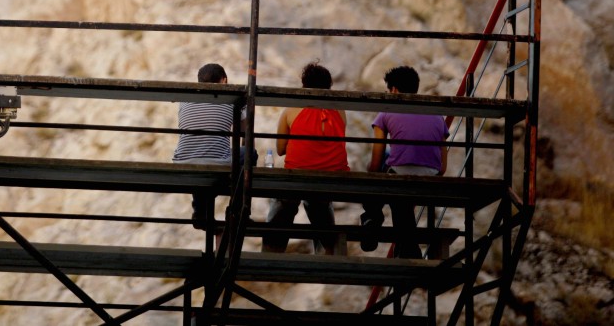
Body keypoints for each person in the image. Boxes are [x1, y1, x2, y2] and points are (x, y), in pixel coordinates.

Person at [360, 65, 449, 258]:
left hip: (401, 176)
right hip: (432, 175)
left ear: (393, 90)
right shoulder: (437, 114)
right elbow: (443, 167)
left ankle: (372, 217)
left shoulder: (386, 112)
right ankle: (407, 249)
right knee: (402, 196)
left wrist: (370, 175)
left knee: (386, 173)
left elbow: (375, 163)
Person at [262, 61, 349, 255]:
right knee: (320, 203)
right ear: (329, 87)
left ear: (304, 86)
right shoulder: (340, 111)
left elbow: (281, 150)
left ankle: (272, 248)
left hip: (297, 175)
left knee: (282, 201)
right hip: (332, 178)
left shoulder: (291, 109)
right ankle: (327, 249)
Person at [172, 63, 246, 227]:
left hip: (183, 161)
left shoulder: (185, 100)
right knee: (249, 154)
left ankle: (200, 210)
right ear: (224, 80)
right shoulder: (233, 100)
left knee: (199, 156)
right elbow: (244, 131)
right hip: (215, 162)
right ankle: (237, 208)